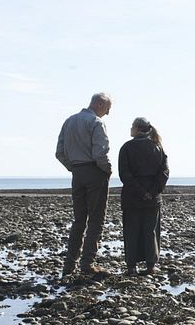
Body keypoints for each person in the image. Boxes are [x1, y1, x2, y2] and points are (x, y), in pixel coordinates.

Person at [55, 92, 113, 277]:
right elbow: (100, 154)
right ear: (100, 103)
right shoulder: (96, 122)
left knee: (79, 220)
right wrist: (107, 169)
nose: (108, 113)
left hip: (77, 173)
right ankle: (87, 263)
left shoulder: (69, 121)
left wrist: (73, 167)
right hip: (95, 171)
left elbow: (59, 152)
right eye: (108, 108)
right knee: (96, 219)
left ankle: (69, 265)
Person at [118, 117, 169, 275]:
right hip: (153, 198)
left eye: (132, 126)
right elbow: (164, 173)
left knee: (131, 231)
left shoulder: (126, 147)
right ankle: (151, 266)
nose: (130, 129)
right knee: (151, 231)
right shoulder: (158, 147)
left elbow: (124, 174)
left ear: (138, 129)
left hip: (132, 197)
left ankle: (132, 267)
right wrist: (152, 192)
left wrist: (140, 191)